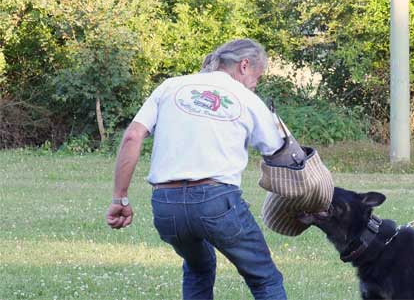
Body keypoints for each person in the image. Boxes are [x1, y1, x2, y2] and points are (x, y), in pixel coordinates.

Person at [105, 38, 287, 300]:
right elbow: (278, 152)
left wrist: (120, 198)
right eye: (258, 76)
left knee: (198, 268)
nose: (256, 83)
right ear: (244, 65)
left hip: (167, 205)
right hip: (217, 202)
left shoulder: (170, 86)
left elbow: (133, 136)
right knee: (265, 279)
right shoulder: (247, 99)